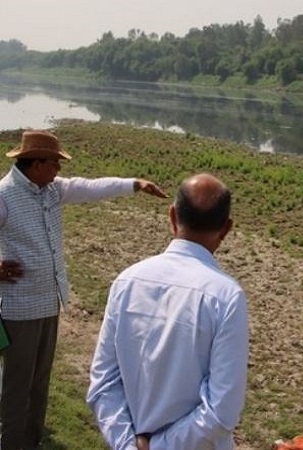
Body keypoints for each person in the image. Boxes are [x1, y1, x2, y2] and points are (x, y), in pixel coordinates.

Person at [0, 129, 169, 450]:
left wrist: (134, 183)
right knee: (16, 385)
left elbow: (90, 187)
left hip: (49, 304)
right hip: (19, 309)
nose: (59, 170)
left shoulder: (50, 190)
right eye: (54, 164)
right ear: (36, 164)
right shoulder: (4, 196)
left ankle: (32, 440)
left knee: (39, 381)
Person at [87, 173, 249, 450]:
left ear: (172, 217)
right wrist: (159, 446)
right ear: (226, 229)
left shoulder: (128, 280)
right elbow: (221, 412)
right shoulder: (226, 296)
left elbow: (103, 384)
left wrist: (128, 444)